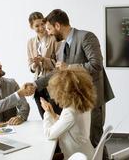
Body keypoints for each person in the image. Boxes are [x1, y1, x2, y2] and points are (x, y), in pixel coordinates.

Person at [35, 9, 115, 147]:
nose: (48, 32)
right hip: (77, 99)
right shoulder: (62, 46)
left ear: (58, 26)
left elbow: (96, 65)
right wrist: (36, 85)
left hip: (92, 98)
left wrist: (69, 67)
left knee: (95, 140)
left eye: (49, 28)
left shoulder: (86, 37)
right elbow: (58, 71)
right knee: (84, 141)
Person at [41, 67, 96, 160]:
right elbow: (68, 124)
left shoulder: (70, 112)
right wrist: (53, 114)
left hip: (76, 157)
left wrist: (46, 112)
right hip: (86, 154)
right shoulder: (82, 106)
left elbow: (49, 134)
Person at [27, 12, 62, 118]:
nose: (41, 28)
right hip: (38, 86)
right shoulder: (30, 42)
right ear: (31, 27)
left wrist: (43, 60)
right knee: (45, 118)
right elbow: (30, 66)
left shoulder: (54, 38)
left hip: (52, 84)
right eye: (37, 26)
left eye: (42, 24)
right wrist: (34, 64)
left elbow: (60, 64)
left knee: (56, 117)